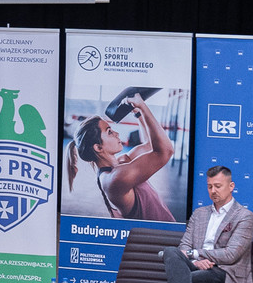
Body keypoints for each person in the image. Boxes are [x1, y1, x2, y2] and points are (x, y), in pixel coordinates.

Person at [63, 93, 176, 221]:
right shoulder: (115, 178)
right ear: (98, 147)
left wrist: (138, 113)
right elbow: (166, 151)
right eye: (109, 132)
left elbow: (149, 145)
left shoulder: (122, 162)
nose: (116, 133)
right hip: (156, 233)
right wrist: (143, 106)